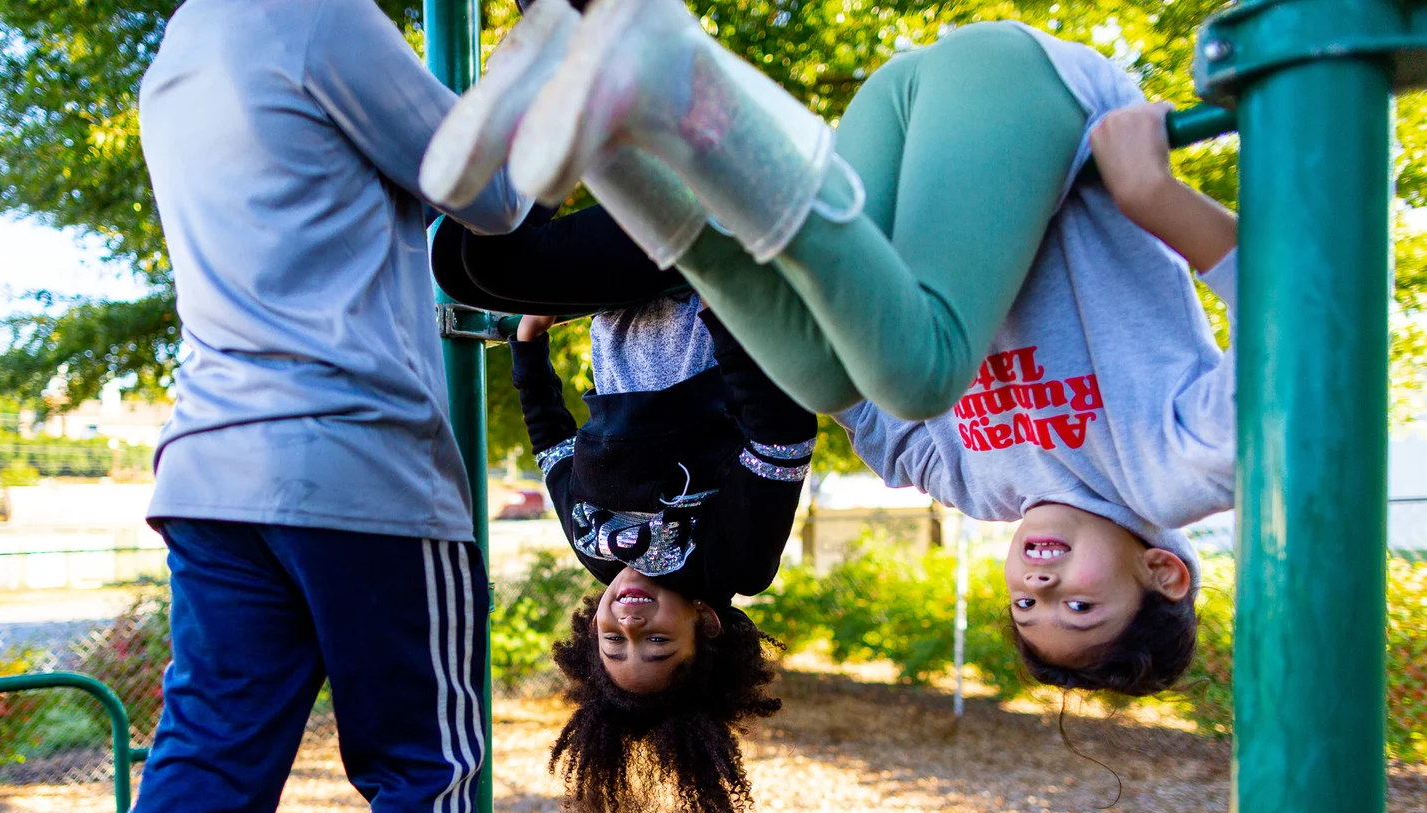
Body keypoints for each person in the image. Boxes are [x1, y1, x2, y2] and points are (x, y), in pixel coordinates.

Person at [425, 3, 1239, 694]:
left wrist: (734, 301)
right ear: (1164, 572)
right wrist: (1153, 196)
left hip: (882, 147)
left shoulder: (979, 487)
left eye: (1028, 608)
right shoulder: (1181, 471)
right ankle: (674, 81)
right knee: (918, 377)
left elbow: (817, 396)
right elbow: (1290, 318)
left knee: (485, 269)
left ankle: (605, 103)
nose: (1038, 586)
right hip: (1021, 103)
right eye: (1078, 606)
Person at [70, 0, 534, 813]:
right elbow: (493, 196)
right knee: (433, 758)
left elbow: (332, 205)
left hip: (212, 465)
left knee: (201, 766)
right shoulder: (323, 17)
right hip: (356, 464)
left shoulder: (182, 51)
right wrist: (532, 68)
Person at [432, 196, 813, 813]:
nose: (629, 622)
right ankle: (580, 144)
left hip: (618, 312)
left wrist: (528, 355)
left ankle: (571, 157)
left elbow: (553, 452)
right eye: (657, 641)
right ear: (707, 627)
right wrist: (726, 311)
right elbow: (783, 439)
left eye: (616, 642)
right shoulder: (733, 560)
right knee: (487, 257)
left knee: (460, 265)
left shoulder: (595, 552)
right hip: (698, 305)